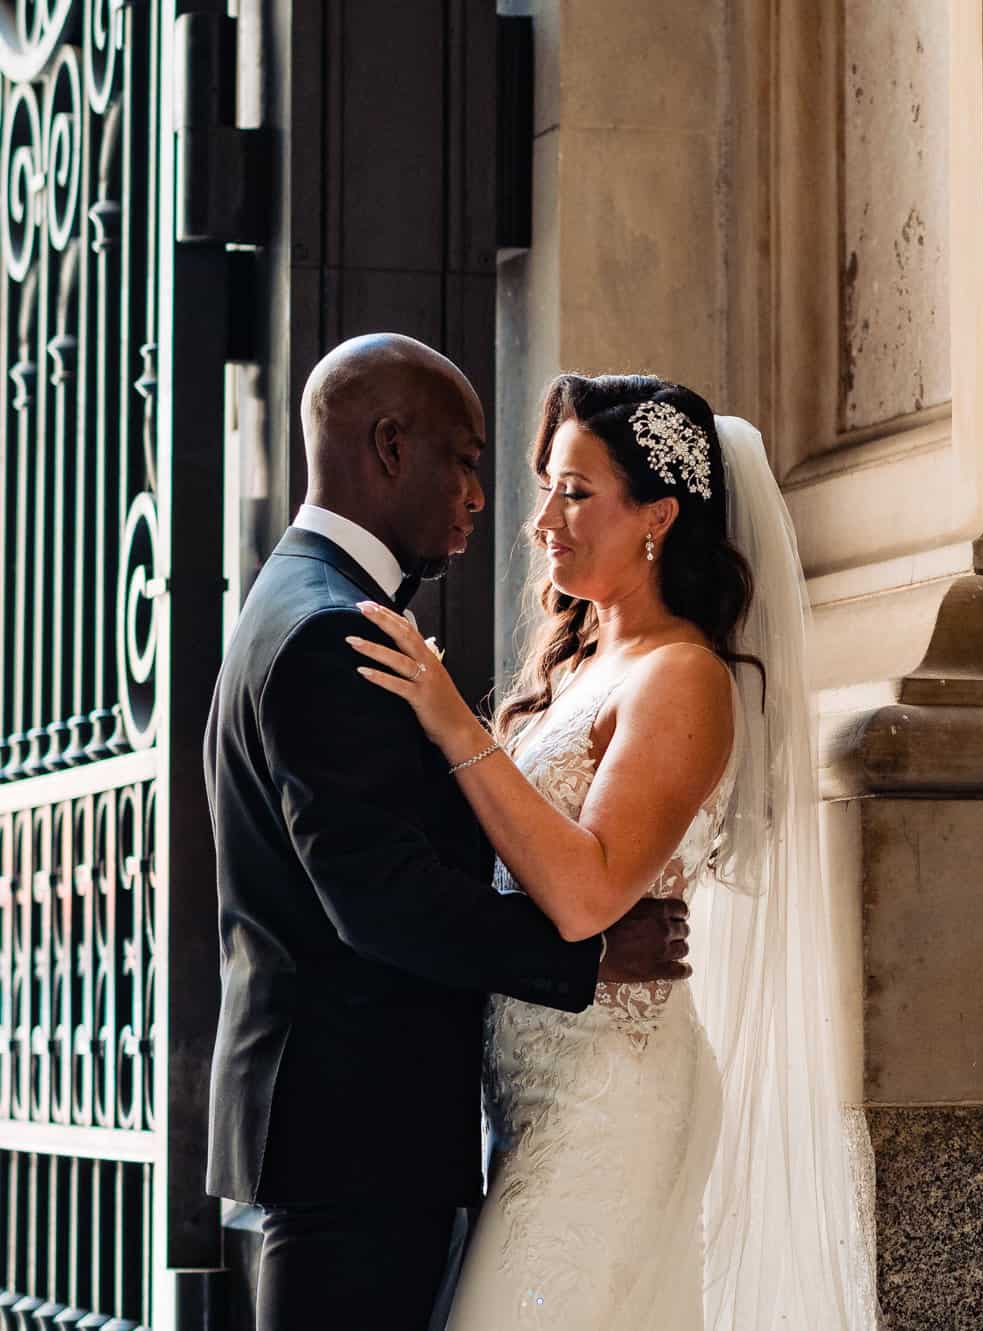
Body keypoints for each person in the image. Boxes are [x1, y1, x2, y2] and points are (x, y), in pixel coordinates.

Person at [348, 373, 879, 1328]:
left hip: (611, 1102)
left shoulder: (684, 677)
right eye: (548, 485)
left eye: (578, 492)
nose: (543, 516)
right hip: (529, 1099)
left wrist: (447, 718)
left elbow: (588, 894)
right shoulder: (581, 663)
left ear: (658, 516)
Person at [203, 336, 695, 1331]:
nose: (481, 496)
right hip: (355, 1143)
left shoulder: (302, 597)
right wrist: (590, 957)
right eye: (462, 458)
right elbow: (381, 898)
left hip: (352, 1130)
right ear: (389, 444)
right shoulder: (328, 630)